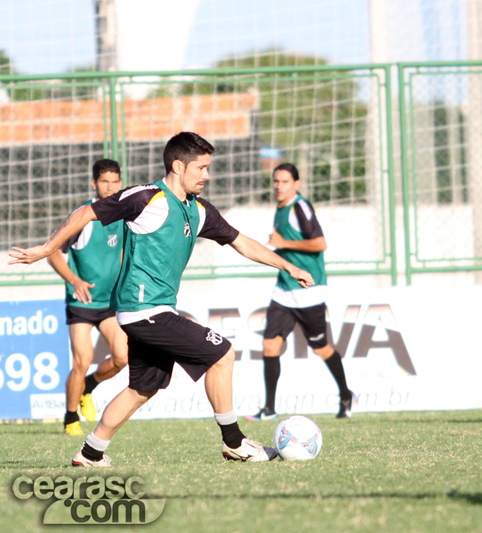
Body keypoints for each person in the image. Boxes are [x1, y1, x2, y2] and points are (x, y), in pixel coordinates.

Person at [10, 132, 314, 466]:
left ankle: (91, 452)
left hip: (154, 310)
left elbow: (241, 242)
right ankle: (234, 442)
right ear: (178, 165)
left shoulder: (198, 211)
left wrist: (286, 264)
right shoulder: (147, 198)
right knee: (223, 353)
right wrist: (47, 249)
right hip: (142, 310)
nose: (207, 175)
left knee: (142, 389)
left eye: (208, 168)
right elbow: (87, 214)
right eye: (201, 168)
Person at [247, 163, 354, 421]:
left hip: (308, 291)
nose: (278, 186)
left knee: (321, 347)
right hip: (283, 290)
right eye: (275, 181)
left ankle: (346, 394)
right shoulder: (280, 208)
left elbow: (320, 243)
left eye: (284, 182)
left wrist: (284, 243)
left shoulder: (300, 206)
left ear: (296, 184)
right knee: (270, 345)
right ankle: (270, 409)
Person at [47, 159, 129, 436]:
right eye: (104, 181)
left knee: (123, 357)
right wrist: (74, 280)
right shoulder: (84, 216)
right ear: (94, 184)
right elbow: (53, 251)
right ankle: (71, 418)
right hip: (81, 303)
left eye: (115, 181)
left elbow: (121, 252)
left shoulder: (124, 216)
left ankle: (90, 387)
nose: (110, 186)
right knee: (82, 360)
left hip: (109, 304)